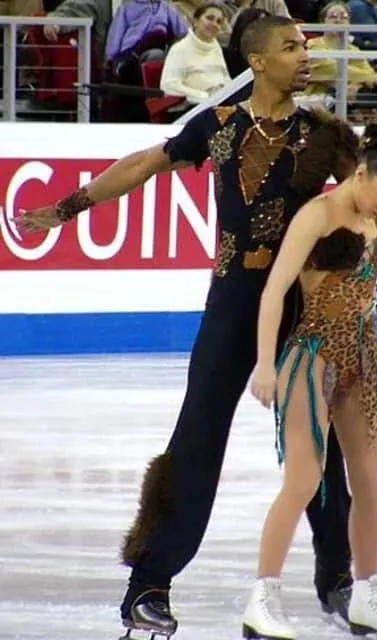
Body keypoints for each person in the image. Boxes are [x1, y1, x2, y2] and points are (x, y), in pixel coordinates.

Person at [15, 15, 359, 640]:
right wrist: (68, 207)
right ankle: (149, 584)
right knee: (196, 439)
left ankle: (338, 577)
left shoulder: (324, 134)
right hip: (233, 307)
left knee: (320, 442)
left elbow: (375, 194)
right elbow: (144, 163)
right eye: (290, 47)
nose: (305, 56)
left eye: (304, 46)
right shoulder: (218, 126)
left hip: (305, 309)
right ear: (257, 62)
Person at [243, 124, 377, 640]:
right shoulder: (316, 216)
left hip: (364, 358)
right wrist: (264, 364)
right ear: (360, 174)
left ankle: (366, 595)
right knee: (302, 481)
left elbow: (367, 280)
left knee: (368, 485)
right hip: (313, 357)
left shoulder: (375, 218)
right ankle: (262, 598)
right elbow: (274, 290)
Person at [160, 3, 231, 104]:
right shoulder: (179, 49)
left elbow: (226, 78)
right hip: (193, 107)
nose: (215, 24)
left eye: (219, 22)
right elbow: (168, 86)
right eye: (210, 18)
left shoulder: (216, 48)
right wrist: (205, 95)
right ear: (195, 21)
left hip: (220, 103)